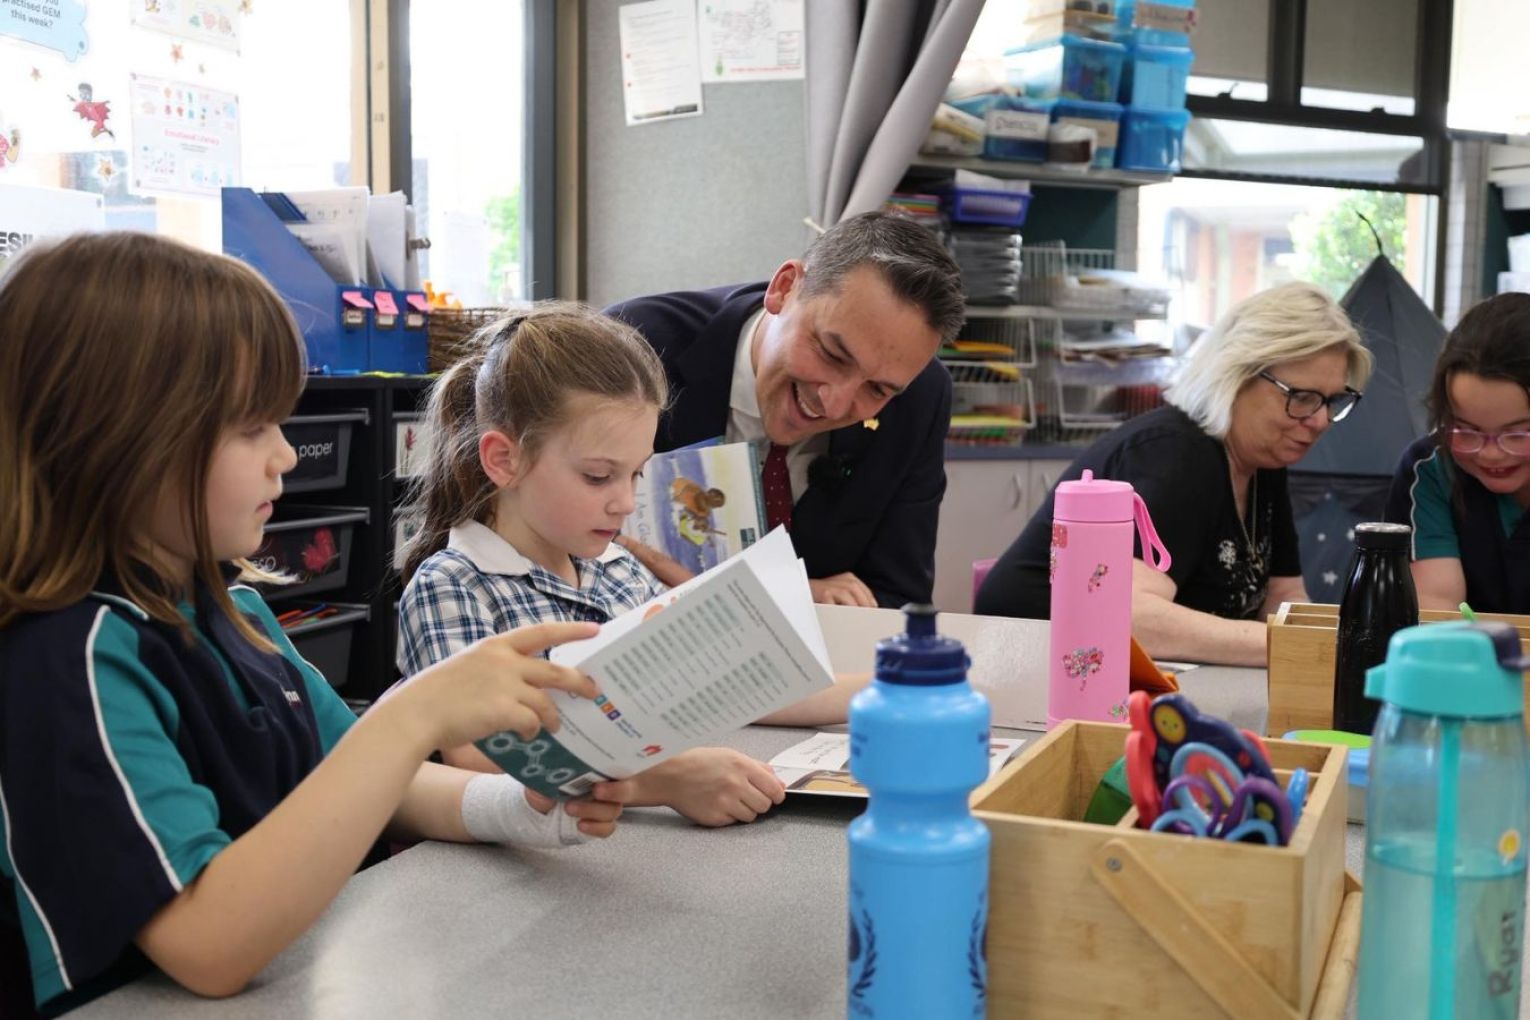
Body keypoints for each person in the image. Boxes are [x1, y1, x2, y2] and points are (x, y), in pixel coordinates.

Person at [0, 234, 623, 1017]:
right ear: (116, 441)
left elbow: (365, 782)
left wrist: (524, 807)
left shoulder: (235, 610)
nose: (287, 456)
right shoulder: (68, 659)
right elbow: (208, 944)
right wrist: (412, 716)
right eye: (250, 428)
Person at [397, 304, 857, 828]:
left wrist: (888, 689)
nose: (626, 503)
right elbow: (477, 755)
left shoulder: (619, 570)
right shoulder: (453, 585)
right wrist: (660, 781)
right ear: (505, 460)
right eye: (598, 477)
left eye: (637, 474)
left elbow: (730, 681)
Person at [976, 282, 1373, 667]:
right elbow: (1132, 619)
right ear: (1236, 375)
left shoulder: (1264, 461)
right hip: (1028, 666)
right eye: (1302, 397)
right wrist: (1293, 645)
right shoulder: (1176, 456)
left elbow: (1283, 596)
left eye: (1332, 401)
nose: (1320, 420)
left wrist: (1321, 648)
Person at [604, 211, 966, 608]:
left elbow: (899, 600)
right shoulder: (631, 348)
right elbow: (571, 564)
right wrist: (787, 591)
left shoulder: (919, 399)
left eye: (877, 390)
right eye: (832, 354)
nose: (835, 404)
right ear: (784, 287)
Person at [1386, 292, 1530, 614]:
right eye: (1466, 431)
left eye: (1517, 434)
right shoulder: (1430, 469)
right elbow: (1436, 608)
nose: (1491, 455)